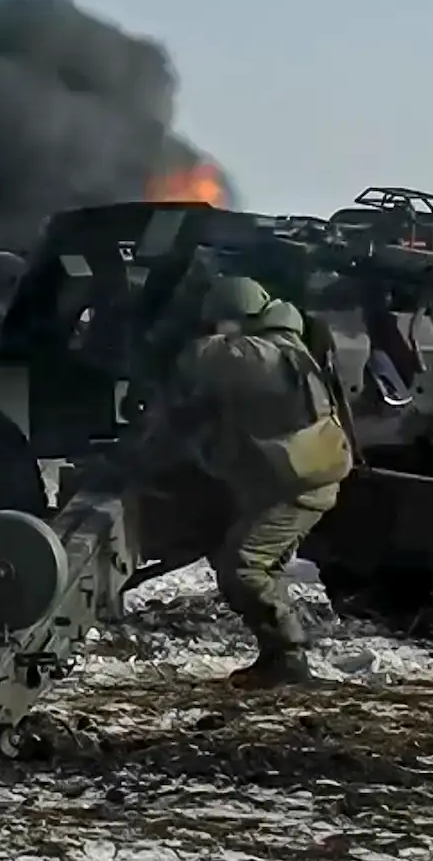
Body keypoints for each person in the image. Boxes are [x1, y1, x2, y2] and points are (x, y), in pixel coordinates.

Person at [140, 274, 353, 687]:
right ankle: (282, 653)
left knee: (243, 566)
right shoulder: (288, 344)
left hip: (299, 487)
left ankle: (288, 660)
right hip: (301, 476)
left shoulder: (256, 354)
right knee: (247, 562)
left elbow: (198, 359)